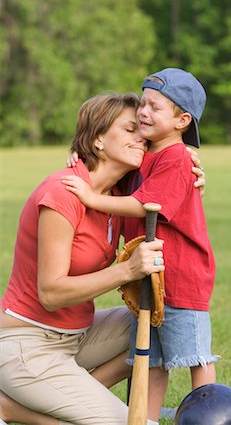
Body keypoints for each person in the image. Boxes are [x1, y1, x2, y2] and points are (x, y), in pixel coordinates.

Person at [61, 67, 219, 423]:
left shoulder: (176, 159)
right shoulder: (140, 157)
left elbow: (145, 204)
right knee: (150, 358)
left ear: (182, 120)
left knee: (196, 356)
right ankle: (144, 418)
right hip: (147, 277)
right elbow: (112, 182)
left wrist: (90, 198)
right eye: (142, 104)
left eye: (155, 107)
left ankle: (210, 414)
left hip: (181, 278)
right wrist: (81, 161)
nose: (143, 112)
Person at [0, 93, 166, 425]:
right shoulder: (62, 194)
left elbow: (169, 180)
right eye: (131, 129)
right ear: (97, 140)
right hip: (26, 346)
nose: (141, 138)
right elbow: (51, 293)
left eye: (142, 132)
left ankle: (62, 398)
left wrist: (194, 175)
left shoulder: (117, 196)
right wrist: (127, 270)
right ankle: (10, 408)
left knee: (166, 325)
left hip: (78, 336)